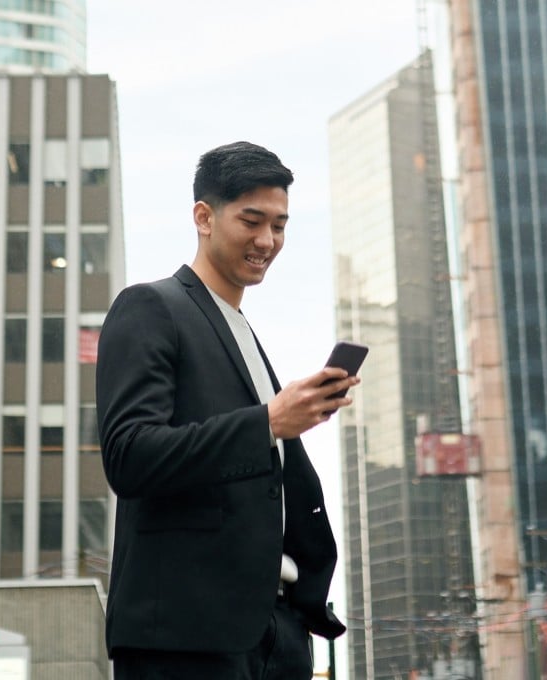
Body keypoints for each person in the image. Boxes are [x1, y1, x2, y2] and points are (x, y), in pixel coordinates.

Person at [96, 141, 356, 679]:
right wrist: (268, 423)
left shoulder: (246, 336)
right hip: (185, 638)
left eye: (280, 226)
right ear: (204, 217)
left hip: (274, 635)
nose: (267, 241)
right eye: (252, 221)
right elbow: (129, 456)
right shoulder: (150, 307)